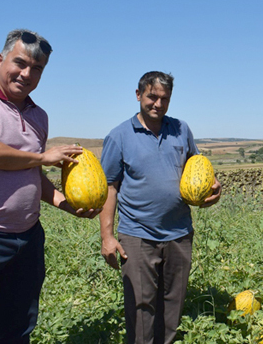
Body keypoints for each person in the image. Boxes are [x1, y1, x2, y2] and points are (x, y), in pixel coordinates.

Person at [0, 29, 100, 343]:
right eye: (20, 63)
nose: (26, 73)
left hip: (26, 239)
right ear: (1, 60)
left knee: (18, 331)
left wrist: (64, 203)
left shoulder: (39, 115)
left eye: (37, 68)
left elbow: (30, 175)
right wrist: (43, 156)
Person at [99, 71, 222, 344]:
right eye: (152, 97)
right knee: (141, 308)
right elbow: (109, 187)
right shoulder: (119, 136)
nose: (158, 104)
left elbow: (198, 167)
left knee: (173, 306)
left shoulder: (181, 129)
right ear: (138, 94)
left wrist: (214, 188)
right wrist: (107, 236)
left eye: (164, 99)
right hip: (137, 235)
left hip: (179, 233)